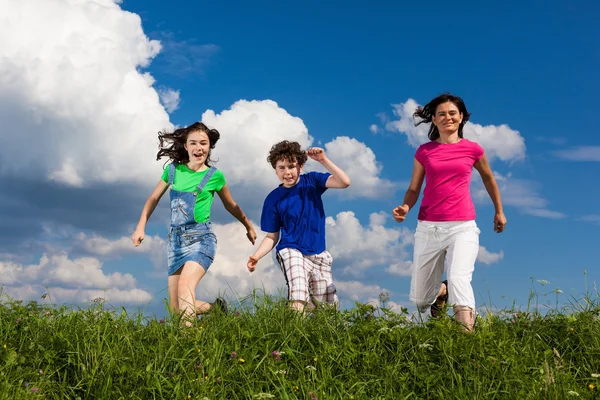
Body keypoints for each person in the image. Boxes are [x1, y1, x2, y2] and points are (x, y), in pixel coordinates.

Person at [392, 93, 506, 332]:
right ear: (433, 119)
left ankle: (466, 340)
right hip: (428, 228)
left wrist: (499, 210)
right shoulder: (424, 152)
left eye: (452, 113)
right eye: (442, 114)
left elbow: (488, 178)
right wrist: (405, 207)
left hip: (462, 226)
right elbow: (414, 188)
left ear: (461, 117)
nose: (448, 118)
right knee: (421, 300)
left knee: (460, 279)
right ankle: (441, 292)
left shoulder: (473, 150)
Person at [132, 122, 256, 325]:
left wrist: (248, 225)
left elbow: (231, 205)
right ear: (185, 146)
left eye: (204, 143)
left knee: (185, 287)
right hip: (175, 242)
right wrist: (140, 226)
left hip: (201, 238)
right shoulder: (173, 171)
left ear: (209, 147)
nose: (199, 148)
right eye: (194, 143)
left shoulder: (214, 176)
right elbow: (153, 199)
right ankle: (216, 310)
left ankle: (189, 344)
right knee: (175, 309)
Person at [247, 141, 350, 312]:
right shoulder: (273, 199)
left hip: (318, 253)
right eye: (282, 168)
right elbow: (272, 236)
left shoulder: (312, 182)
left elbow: (344, 182)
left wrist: (323, 160)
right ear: (276, 170)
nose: (287, 172)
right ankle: (294, 332)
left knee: (327, 309)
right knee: (299, 292)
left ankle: (316, 332)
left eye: (291, 166)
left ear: (300, 166)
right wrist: (256, 256)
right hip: (291, 249)